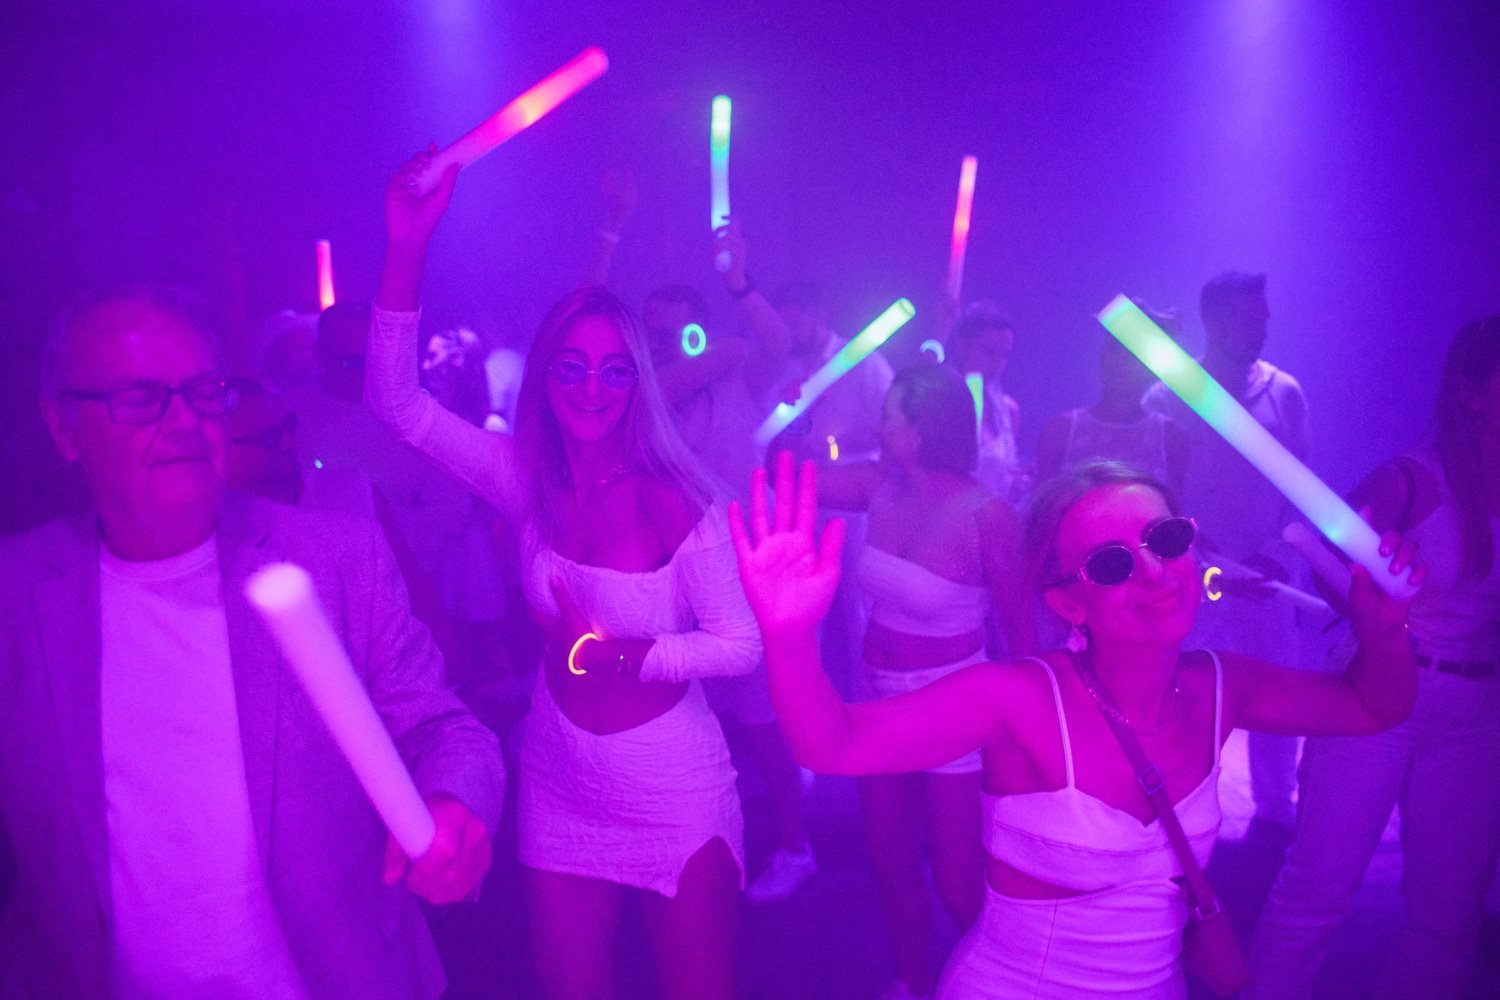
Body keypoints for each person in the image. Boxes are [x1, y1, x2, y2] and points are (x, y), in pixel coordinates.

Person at [730, 454, 1421, 998]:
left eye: (1166, 538)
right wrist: (787, 634)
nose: (1153, 570)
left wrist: (1385, 632)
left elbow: (1373, 707)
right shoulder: (1020, 700)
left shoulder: (1221, 686)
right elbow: (831, 742)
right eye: (1112, 563)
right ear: (1069, 604)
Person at [0, 289, 504, 999]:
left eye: (205, 392)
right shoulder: (19, 599)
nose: (184, 420)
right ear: (64, 426)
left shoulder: (337, 559)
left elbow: (445, 730)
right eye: (141, 398)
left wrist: (455, 805)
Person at [366, 152, 760, 1000]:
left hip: (672, 785)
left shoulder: (672, 497)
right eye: (571, 365)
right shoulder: (524, 475)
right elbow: (397, 406)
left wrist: (621, 653)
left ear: (638, 382)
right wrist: (407, 246)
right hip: (558, 776)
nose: (592, 387)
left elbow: (739, 645)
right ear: (545, 374)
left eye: (615, 369)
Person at [1248, 314, 1500, 1000]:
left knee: (1450, 911)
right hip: (1382, 689)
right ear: (1471, 391)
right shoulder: (1414, 479)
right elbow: (1323, 552)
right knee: (1318, 888)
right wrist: (1378, 606)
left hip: (1478, 708)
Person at [814, 364, 1037, 999]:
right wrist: (840, 431)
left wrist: (1031, 737)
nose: (878, 425)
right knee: (890, 863)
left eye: (887, 416)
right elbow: (784, 472)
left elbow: (1020, 633)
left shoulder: (986, 514)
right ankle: (913, 983)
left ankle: (1007, 988)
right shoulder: (878, 487)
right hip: (881, 702)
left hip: (954, 708)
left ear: (919, 430)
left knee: (959, 883)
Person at [1144, 272, 1310, 831]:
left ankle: (1274, 820)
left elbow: (1301, 491)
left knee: (1276, 699)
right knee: (1189, 697)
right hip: (1195, 578)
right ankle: (1185, 820)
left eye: (1264, 316)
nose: (1261, 327)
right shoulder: (1168, 394)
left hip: (1267, 580)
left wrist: (1271, 557)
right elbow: (1151, 492)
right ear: (1213, 321)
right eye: (1248, 316)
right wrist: (1201, 554)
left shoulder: (1284, 393)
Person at [1036, 312, 1188, 495]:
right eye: (1113, 348)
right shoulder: (1060, 431)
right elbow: (1041, 508)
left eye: (1133, 354)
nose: (1120, 362)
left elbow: (1172, 508)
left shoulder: (1171, 437)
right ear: (1100, 355)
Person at [945, 302, 1024, 505]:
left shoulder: (1008, 410)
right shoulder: (941, 403)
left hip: (992, 517)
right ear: (963, 348)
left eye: (1004, 355)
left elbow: (1008, 474)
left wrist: (1018, 481)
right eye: (989, 352)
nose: (998, 364)